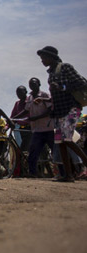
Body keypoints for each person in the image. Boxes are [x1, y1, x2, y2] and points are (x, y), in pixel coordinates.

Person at [37, 46, 87, 182]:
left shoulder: (65, 67)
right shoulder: (51, 73)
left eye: (44, 58)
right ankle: (68, 175)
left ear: (51, 57)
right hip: (58, 112)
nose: (42, 61)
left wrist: (62, 87)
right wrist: (46, 100)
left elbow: (82, 83)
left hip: (71, 108)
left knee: (66, 139)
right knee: (61, 142)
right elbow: (56, 94)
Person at [23, 77, 54, 177]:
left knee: (55, 151)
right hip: (37, 130)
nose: (32, 86)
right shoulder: (30, 98)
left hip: (48, 128)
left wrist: (37, 117)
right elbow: (26, 110)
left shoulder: (44, 95)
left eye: (34, 83)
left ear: (39, 84)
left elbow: (50, 110)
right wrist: (13, 118)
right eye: (30, 84)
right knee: (33, 151)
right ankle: (32, 172)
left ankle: (63, 172)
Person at [10, 85, 31, 154]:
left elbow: (26, 111)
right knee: (22, 149)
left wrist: (14, 118)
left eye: (20, 92)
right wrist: (8, 125)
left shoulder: (29, 101)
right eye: (17, 93)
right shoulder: (17, 104)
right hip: (21, 130)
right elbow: (13, 117)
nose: (19, 94)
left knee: (26, 148)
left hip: (30, 128)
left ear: (25, 92)